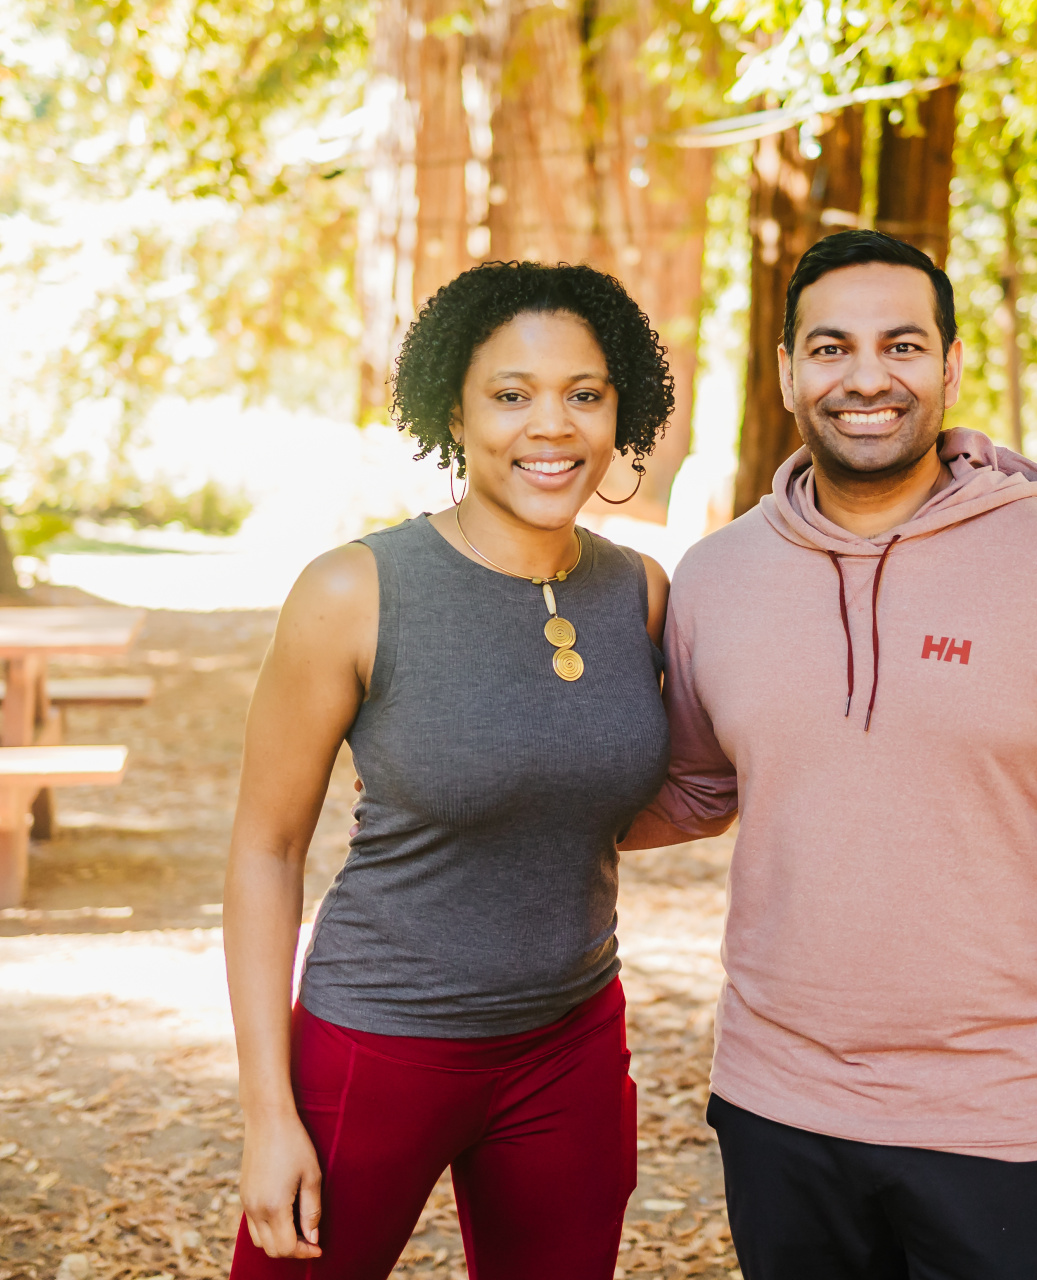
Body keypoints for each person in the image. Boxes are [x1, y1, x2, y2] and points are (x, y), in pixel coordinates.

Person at [621, 229, 1037, 1280]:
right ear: (787, 370)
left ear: (948, 365)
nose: (865, 378)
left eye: (901, 345)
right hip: (776, 1108)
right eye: (830, 347)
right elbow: (695, 786)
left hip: (1007, 1121)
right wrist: (495, 777)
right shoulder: (718, 577)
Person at [224, 261, 675, 1279]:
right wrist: (267, 1110)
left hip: (574, 1043)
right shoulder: (355, 589)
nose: (549, 426)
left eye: (584, 395)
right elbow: (266, 845)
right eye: (511, 395)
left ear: (620, 412)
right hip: (380, 1039)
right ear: (455, 412)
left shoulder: (636, 591)